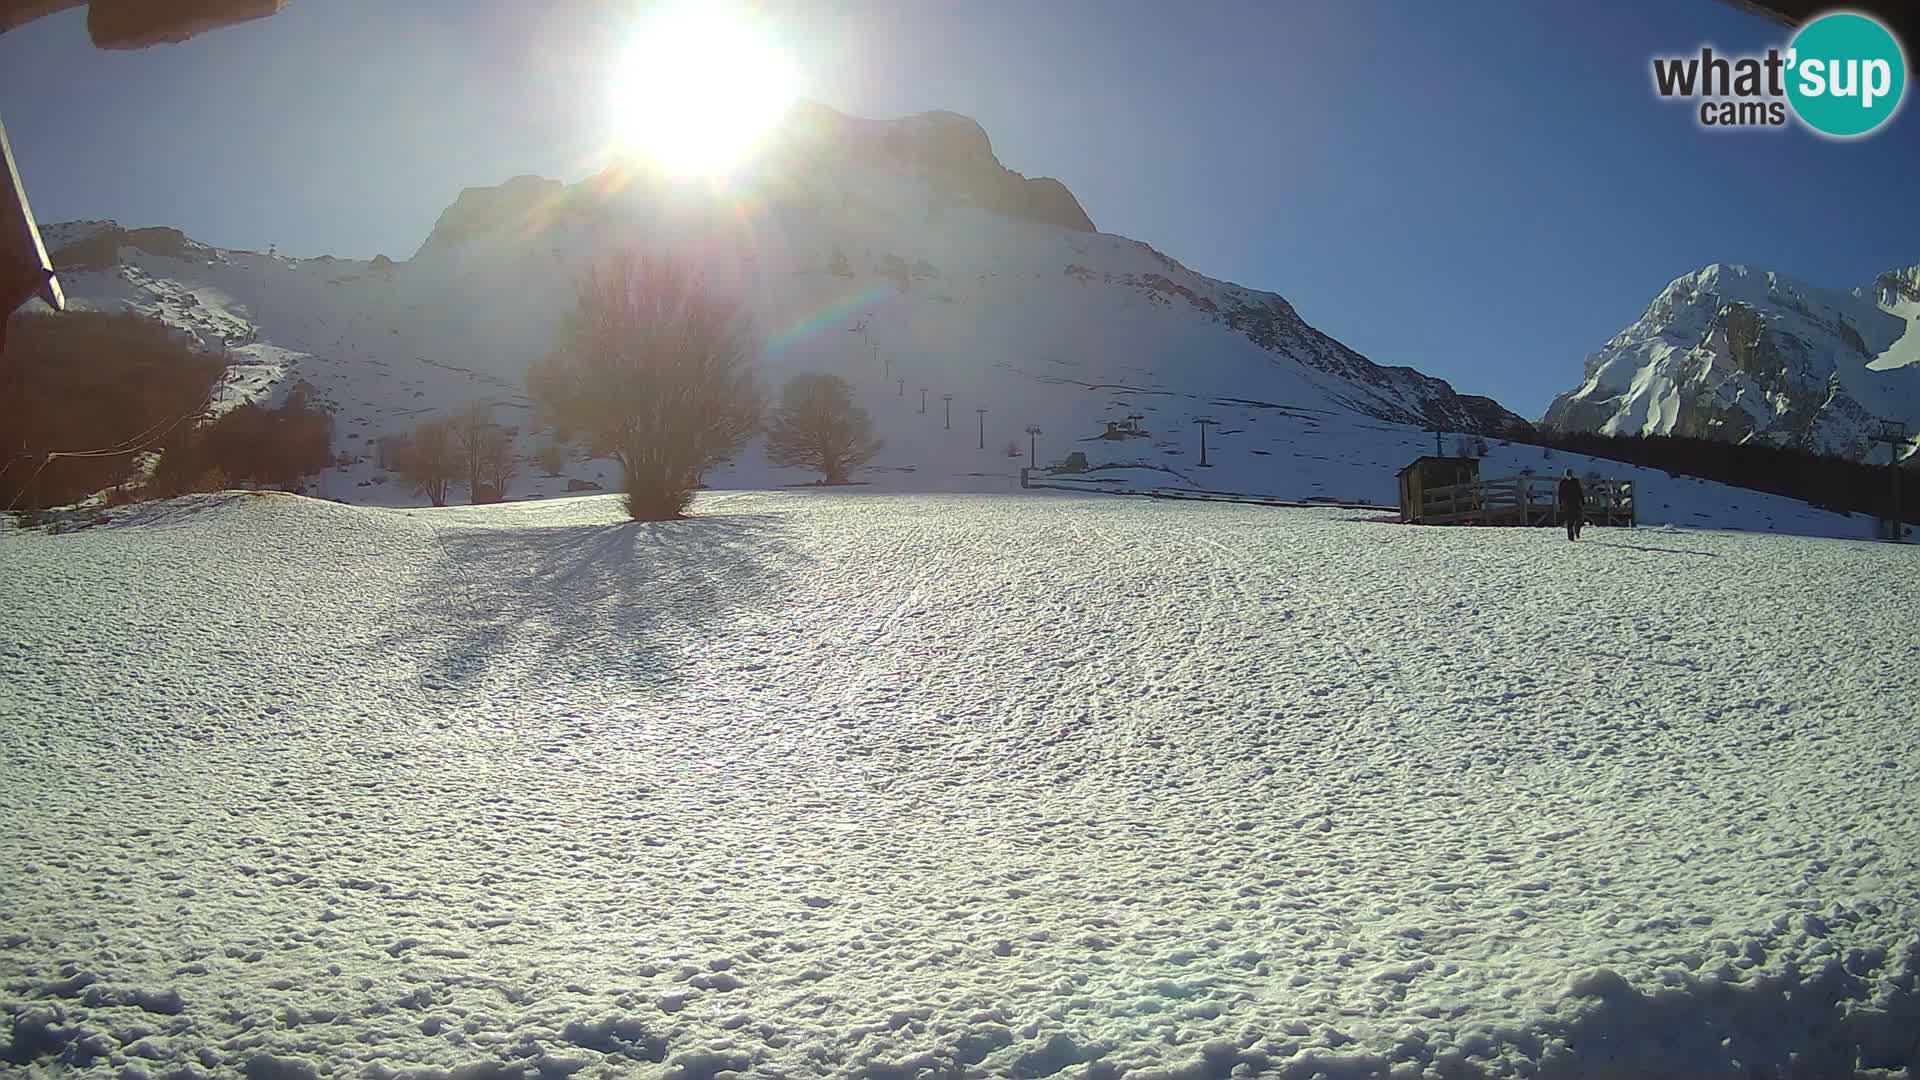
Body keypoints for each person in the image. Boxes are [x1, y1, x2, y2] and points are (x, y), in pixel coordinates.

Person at [1557, 468, 1585, 541]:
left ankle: (1577, 530)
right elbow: (1560, 494)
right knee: (1569, 521)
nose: (1568, 475)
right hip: (1567, 504)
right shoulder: (1563, 482)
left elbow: (1580, 491)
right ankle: (1571, 538)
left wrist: (1582, 500)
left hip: (1576, 503)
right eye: (1567, 474)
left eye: (1569, 474)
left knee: (1579, 519)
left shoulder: (1576, 481)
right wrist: (1560, 503)